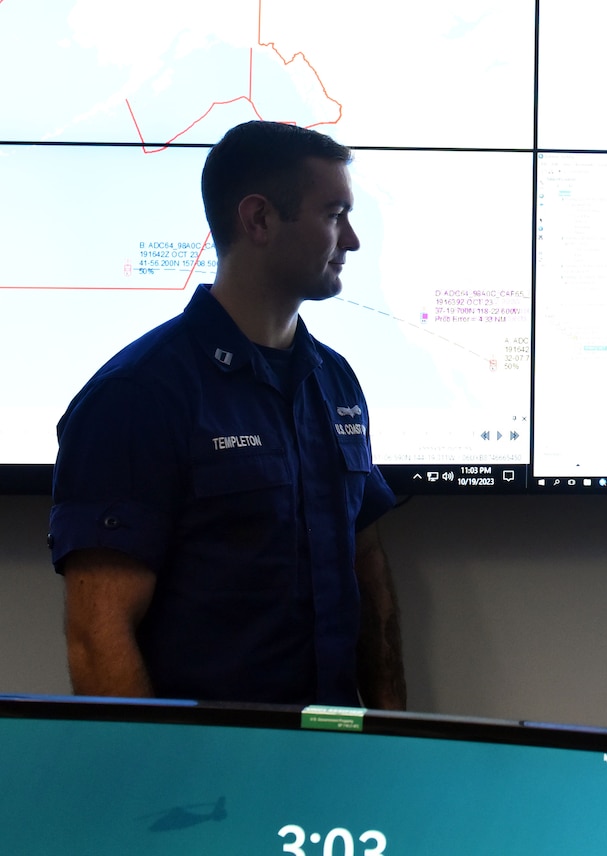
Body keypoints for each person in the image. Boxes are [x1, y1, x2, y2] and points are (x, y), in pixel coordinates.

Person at [50, 120, 406, 709]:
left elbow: (365, 566)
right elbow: (97, 636)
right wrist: (160, 793)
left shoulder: (335, 381)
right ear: (259, 219)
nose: (352, 241)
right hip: (205, 781)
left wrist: (396, 735)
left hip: (336, 760)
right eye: (335, 214)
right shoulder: (138, 395)